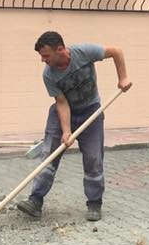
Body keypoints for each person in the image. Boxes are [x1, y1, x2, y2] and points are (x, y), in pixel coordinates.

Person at [16, 32, 131, 222]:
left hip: (91, 111)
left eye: (46, 56)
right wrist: (66, 131)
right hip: (63, 113)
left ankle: (94, 203)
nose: (43, 61)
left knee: (94, 157)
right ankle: (35, 200)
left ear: (60, 50)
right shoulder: (49, 75)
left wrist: (123, 77)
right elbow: (61, 103)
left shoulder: (84, 52)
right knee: (49, 156)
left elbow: (116, 51)